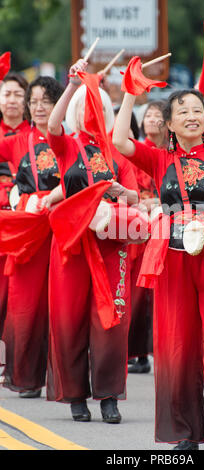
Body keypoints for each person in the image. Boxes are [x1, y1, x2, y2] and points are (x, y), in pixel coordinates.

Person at [113, 74, 204, 449]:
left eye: (198, 110)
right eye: (183, 111)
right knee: (177, 344)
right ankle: (184, 433)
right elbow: (118, 141)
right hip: (172, 261)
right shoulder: (160, 159)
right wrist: (130, 94)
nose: (192, 116)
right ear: (171, 124)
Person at [46, 59, 140, 424]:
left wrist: (118, 192)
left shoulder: (119, 151)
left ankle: (108, 396)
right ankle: (74, 395)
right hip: (71, 246)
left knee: (112, 322)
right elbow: (52, 125)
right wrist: (71, 83)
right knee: (69, 319)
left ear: (107, 109)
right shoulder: (68, 145)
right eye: (83, 105)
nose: (91, 111)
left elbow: (135, 197)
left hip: (110, 244)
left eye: (97, 104)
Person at [0, 76, 64, 398]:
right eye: (34, 101)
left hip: (64, 226)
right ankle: (26, 376)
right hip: (28, 228)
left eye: (46, 101)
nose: (39, 107)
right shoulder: (18, 140)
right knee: (26, 303)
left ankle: (65, 378)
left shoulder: (67, 138)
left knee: (62, 303)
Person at [127, 101, 166, 374]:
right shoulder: (139, 152)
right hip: (139, 225)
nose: (151, 119)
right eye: (148, 114)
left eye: (157, 115)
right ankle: (136, 352)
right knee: (138, 293)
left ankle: (159, 350)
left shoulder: (169, 153)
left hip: (164, 221)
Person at [0, 72, 30, 339]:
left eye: (18, 94)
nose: (12, 100)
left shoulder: (36, 136)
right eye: (7, 93)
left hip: (25, 225)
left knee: (20, 295)